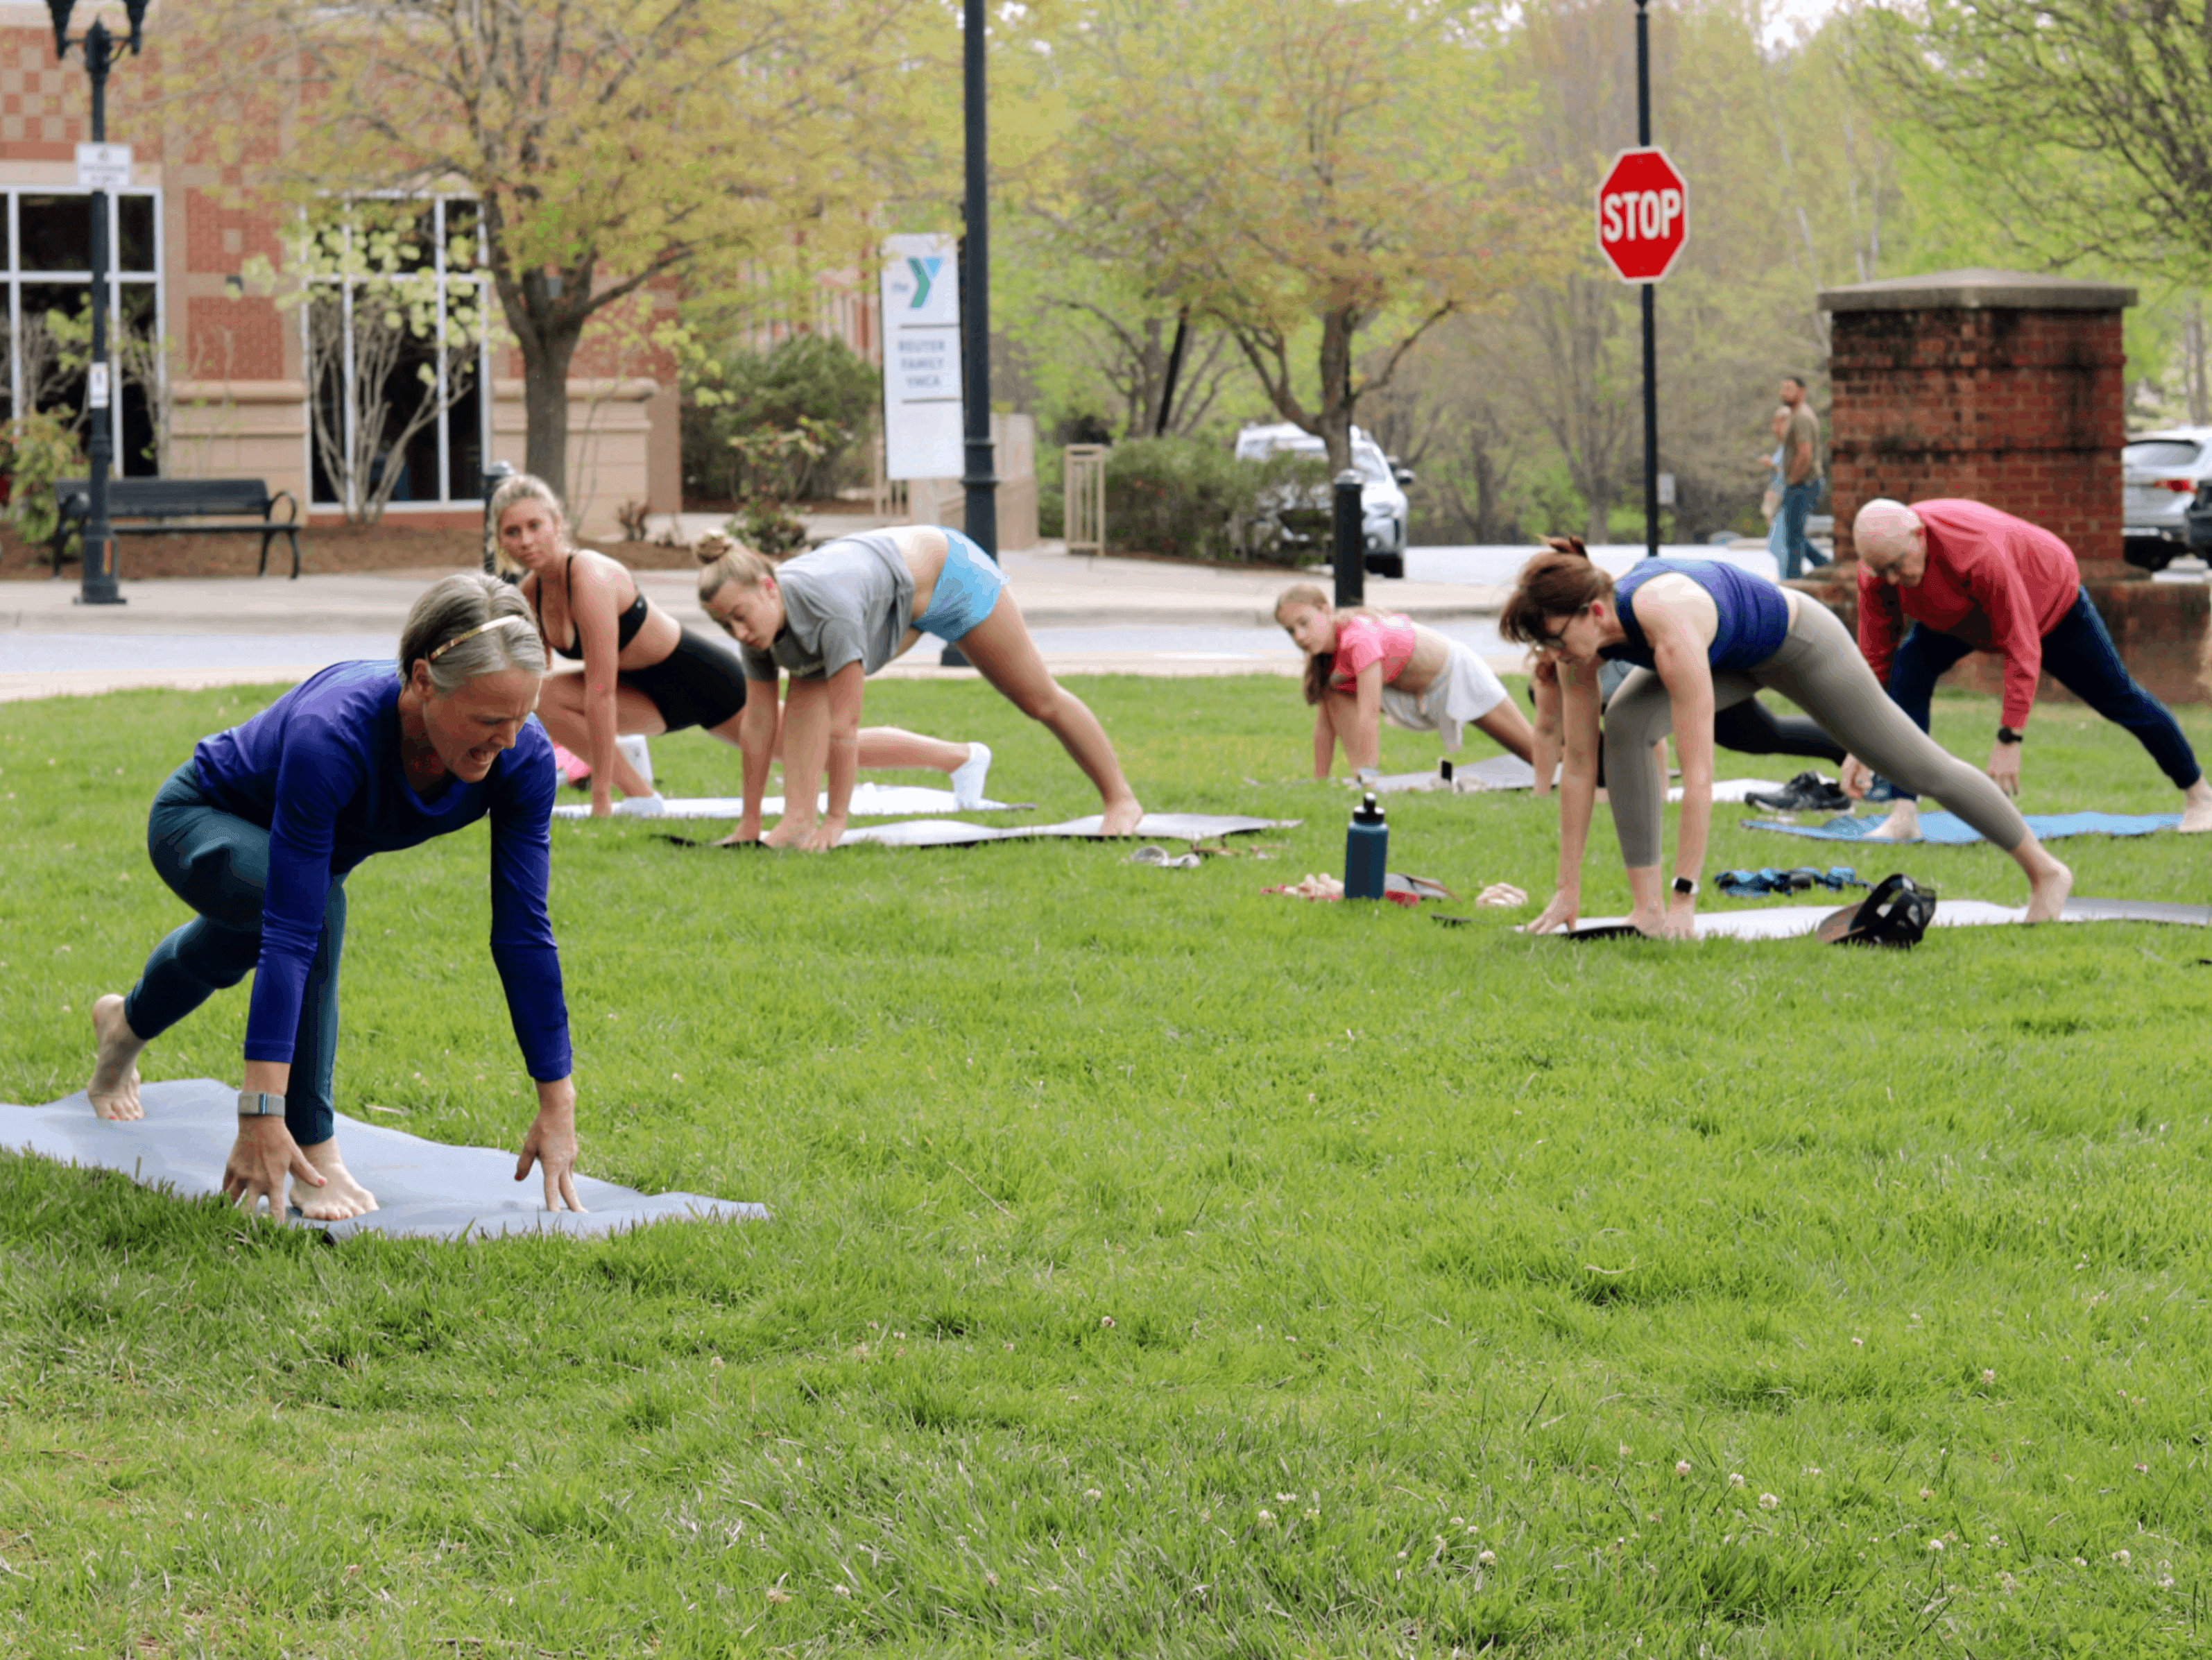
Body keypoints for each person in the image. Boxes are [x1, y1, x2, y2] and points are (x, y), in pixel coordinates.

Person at [83, 574, 586, 1220]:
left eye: (522, 716)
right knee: (307, 913)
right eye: (490, 719)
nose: (508, 739)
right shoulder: (337, 728)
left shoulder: (521, 760)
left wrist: (557, 1101)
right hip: (199, 819)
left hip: (298, 862)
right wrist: (261, 1111)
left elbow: (523, 931)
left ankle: (123, 1025)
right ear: (423, 680)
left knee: (241, 940)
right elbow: (292, 932)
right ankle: (315, 1151)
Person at [1498, 545, 2073, 938]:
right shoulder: (1577, 650)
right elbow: (1577, 767)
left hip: (1800, 643)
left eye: (1553, 639)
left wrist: (1686, 898)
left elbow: (1700, 777)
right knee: (1623, 723)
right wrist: (1565, 891)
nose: (1551, 656)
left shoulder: (1666, 623)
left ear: (1593, 611)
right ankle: (1643, 910)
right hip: (1732, 654)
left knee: (1919, 767)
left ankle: (2044, 870)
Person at [493, 477, 993, 817]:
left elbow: (600, 692)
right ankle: (641, 800)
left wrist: (596, 795)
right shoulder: (531, 595)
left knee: (802, 750)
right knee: (542, 695)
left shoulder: (592, 576)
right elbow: (537, 695)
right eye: (512, 532)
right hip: (643, 692)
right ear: (501, 540)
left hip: (698, 678)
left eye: (534, 525)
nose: (525, 540)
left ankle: (961, 756)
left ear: (558, 522)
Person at [698, 527, 1144, 846]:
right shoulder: (762, 625)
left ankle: (1122, 800)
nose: (737, 631)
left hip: (953, 575)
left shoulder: (829, 611)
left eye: (740, 615)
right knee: (804, 677)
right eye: (724, 624)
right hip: (897, 600)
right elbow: (757, 726)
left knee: (1040, 700)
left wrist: (838, 821)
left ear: (768, 587)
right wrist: (748, 823)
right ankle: (795, 822)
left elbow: (845, 725)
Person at [1849, 497, 2212, 837]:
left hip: (2050, 606)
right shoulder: (1878, 570)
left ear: (1918, 535)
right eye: (1884, 572)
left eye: (1898, 566)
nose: (1893, 579)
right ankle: (1903, 815)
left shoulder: (1978, 552)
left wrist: (2010, 737)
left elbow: (2022, 648)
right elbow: (1874, 658)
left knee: (2118, 697)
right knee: (1908, 672)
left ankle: (2201, 796)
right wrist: (1860, 741)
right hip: (1959, 615)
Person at [1520, 539, 1846, 797]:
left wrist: (1661, 796)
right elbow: (1548, 731)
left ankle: (1846, 748)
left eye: (1551, 638)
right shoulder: (1556, 667)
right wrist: (1540, 795)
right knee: (1753, 736)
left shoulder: (1610, 637)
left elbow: (1648, 731)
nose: (1548, 651)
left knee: (1758, 735)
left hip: (1706, 663)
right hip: (1675, 677)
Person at [1273, 584, 1534, 780]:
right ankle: (1361, 780)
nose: (1299, 636)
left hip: (1456, 677)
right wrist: (1320, 782)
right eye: (1291, 631)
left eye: (1304, 623)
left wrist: (1371, 772)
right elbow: (1324, 728)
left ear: (1325, 610)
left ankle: (1568, 745)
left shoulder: (1359, 637)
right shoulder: (1327, 659)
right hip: (1412, 698)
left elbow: (1369, 713)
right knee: (1334, 691)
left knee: (1538, 755)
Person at [1776, 375, 1826, 581]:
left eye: (1790, 388)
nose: (1784, 392)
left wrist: (1793, 478)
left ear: (1801, 392)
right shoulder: (1797, 416)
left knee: (1793, 537)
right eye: (1783, 388)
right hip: (1803, 483)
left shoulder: (1802, 417)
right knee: (1794, 535)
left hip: (1804, 483)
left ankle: (1793, 579)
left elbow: (1804, 453)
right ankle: (1823, 565)